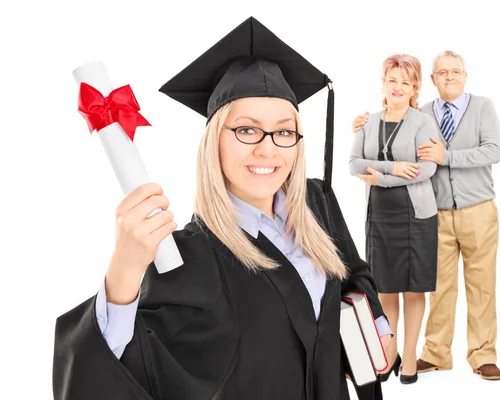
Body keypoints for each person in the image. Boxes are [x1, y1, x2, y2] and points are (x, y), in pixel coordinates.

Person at [53, 17, 393, 400]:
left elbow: (353, 272)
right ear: (215, 141)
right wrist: (123, 277)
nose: (268, 149)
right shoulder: (190, 258)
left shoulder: (317, 203)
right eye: (247, 130)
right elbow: (133, 366)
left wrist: (375, 325)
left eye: (283, 131)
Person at [351, 50, 500, 380]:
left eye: (456, 72)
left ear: (465, 76)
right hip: (436, 212)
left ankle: (482, 354)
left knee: (481, 286)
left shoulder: (482, 107)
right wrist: (361, 126)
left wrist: (446, 156)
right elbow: (380, 141)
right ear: (432, 80)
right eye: (443, 73)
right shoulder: (426, 112)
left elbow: (493, 151)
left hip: (477, 210)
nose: (450, 77)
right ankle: (435, 353)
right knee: (438, 288)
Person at [348, 54, 439, 385]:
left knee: (414, 289)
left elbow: (426, 169)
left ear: (415, 86)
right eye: (392, 80)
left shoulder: (423, 122)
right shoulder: (367, 122)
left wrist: (382, 178)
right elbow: (354, 164)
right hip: (381, 216)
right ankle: (390, 351)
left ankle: (411, 355)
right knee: (385, 287)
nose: (398, 87)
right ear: (383, 83)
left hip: (416, 215)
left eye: (405, 81)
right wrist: (393, 168)